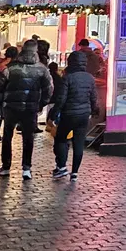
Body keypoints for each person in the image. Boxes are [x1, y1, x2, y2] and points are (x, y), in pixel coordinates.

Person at [0, 39, 52, 179]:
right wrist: (41, 104)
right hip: (30, 107)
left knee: (8, 136)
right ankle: (26, 168)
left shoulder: (11, 67)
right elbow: (49, 89)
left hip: (11, 107)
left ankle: (6, 166)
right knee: (28, 138)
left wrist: (3, 100)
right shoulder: (41, 69)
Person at [49, 51, 99, 181]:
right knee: (78, 143)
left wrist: (53, 114)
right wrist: (94, 111)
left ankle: (61, 167)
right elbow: (93, 98)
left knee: (61, 139)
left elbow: (61, 99)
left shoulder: (68, 78)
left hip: (68, 114)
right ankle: (75, 173)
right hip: (84, 115)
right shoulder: (90, 78)